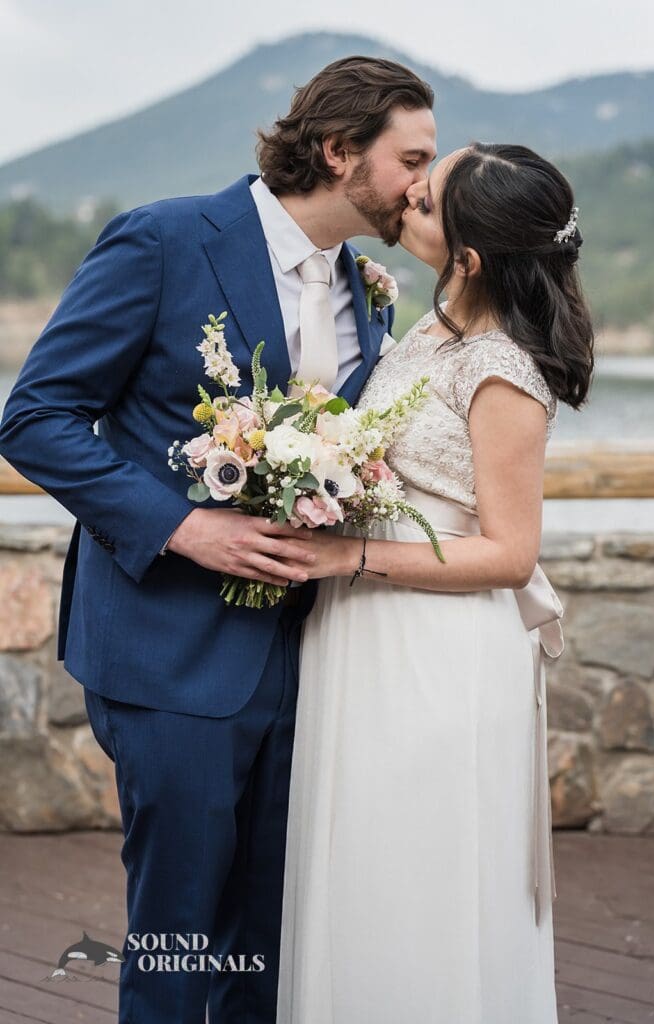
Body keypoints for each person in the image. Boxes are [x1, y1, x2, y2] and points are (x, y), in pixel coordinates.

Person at [0, 57, 436, 1024]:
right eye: (411, 159)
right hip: (171, 648)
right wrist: (185, 526)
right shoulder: (165, 240)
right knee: (177, 933)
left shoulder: (368, 291)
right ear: (338, 151)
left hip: (314, 658)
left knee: (271, 939)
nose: (422, 184)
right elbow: (35, 420)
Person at [276, 143, 594, 1023]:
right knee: (358, 861)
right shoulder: (426, 332)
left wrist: (348, 557)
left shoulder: (501, 369)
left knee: (418, 869)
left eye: (427, 198)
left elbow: (509, 554)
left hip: (435, 649)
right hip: (362, 632)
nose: (409, 194)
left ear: (471, 257)